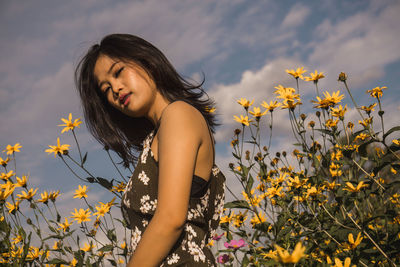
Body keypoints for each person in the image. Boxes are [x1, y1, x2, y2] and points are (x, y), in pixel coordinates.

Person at [75, 34, 225, 266]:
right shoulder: (159, 132)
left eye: (118, 72)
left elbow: (170, 219)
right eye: (105, 89)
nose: (115, 88)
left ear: (147, 62)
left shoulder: (178, 115)